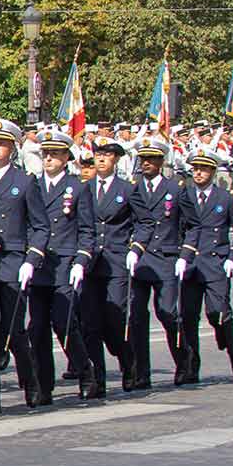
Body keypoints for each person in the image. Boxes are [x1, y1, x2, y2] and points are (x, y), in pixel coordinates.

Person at [0, 118, 48, 415]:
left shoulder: (24, 181)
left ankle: (30, 382)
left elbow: (40, 226)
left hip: (12, 262)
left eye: (1, 143)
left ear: (13, 147)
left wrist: (32, 259)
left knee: (13, 331)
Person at [28, 130, 93, 406]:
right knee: (37, 328)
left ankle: (85, 370)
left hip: (64, 262)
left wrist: (81, 260)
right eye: (46, 154)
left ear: (67, 157)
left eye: (55, 154)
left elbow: (87, 230)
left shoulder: (77, 188)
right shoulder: (32, 185)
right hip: (38, 264)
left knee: (64, 323)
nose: (49, 159)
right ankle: (44, 385)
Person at [173, 149, 233, 382]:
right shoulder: (183, 197)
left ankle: (232, 349)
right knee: (188, 316)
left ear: (213, 172)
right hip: (192, 263)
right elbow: (177, 228)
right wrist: (179, 255)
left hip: (216, 262)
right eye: (195, 168)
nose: (198, 173)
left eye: (203, 169)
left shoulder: (224, 198)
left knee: (218, 313)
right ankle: (192, 364)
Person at [82, 136, 139, 400]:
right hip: (91, 263)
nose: (101, 159)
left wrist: (135, 248)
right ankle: (99, 379)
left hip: (116, 261)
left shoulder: (127, 190)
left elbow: (143, 222)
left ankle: (128, 362)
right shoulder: (85, 188)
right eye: (98, 154)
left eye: (106, 154)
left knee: (115, 321)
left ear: (115, 159)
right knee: (91, 324)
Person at [128, 140, 186, 390]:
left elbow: (186, 224)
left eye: (152, 159)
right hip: (140, 259)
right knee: (137, 317)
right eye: (143, 159)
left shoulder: (176, 188)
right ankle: (142, 372)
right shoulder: (133, 189)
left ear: (162, 162)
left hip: (166, 257)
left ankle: (183, 361)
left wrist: (185, 254)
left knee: (166, 312)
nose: (146, 163)